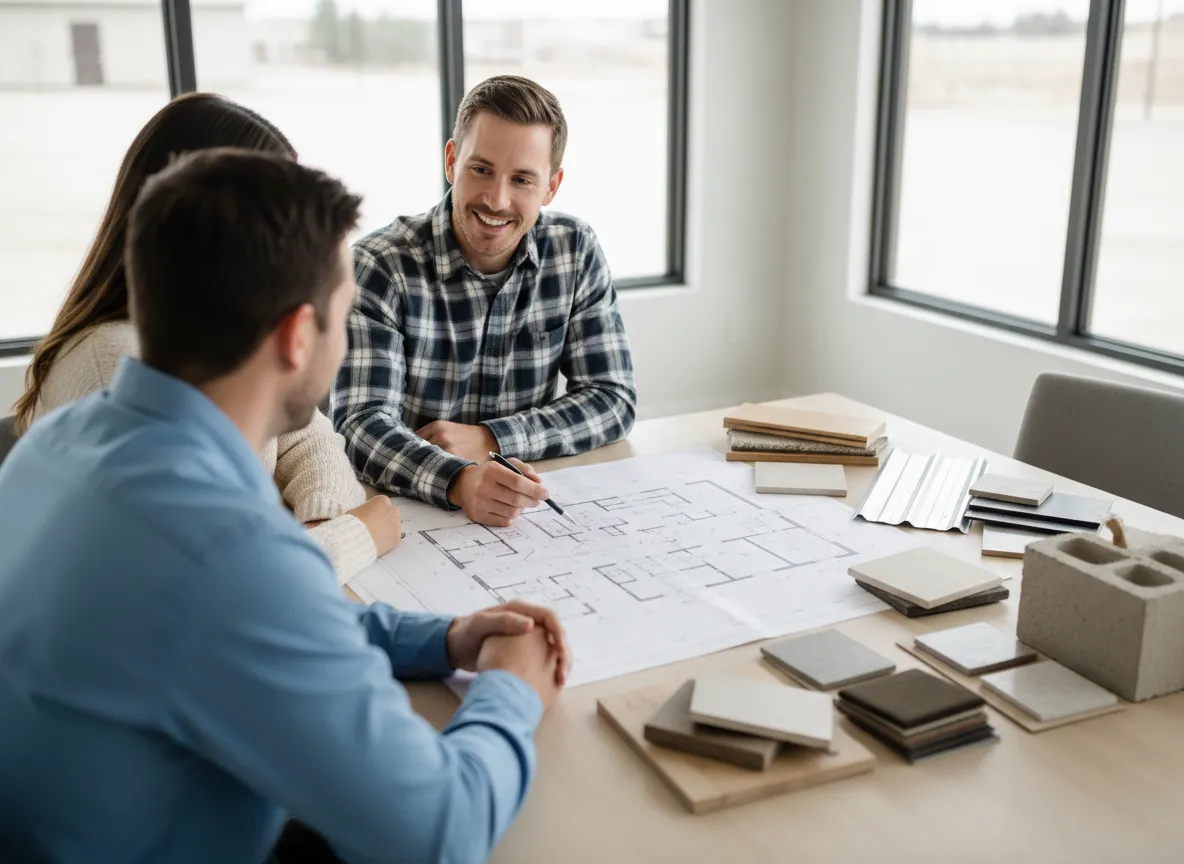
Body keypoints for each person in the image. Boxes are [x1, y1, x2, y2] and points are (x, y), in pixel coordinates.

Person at [0, 149, 570, 864]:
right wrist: (511, 685)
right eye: (344, 314)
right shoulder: (225, 550)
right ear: (299, 339)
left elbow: (248, 619)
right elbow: (440, 834)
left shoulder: (56, 443)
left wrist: (441, 638)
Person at [11, 92, 398, 581]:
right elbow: (212, 580)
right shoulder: (116, 368)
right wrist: (350, 538)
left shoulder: (222, 333)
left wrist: (318, 529)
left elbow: (306, 433)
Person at [333, 75, 637, 528]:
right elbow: (360, 425)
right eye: (481, 169)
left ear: (551, 187)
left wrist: (492, 438)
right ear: (452, 160)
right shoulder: (379, 266)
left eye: (521, 179)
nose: (497, 199)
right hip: (408, 516)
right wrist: (458, 479)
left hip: (524, 512)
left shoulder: (575, 250)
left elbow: (613, 399)